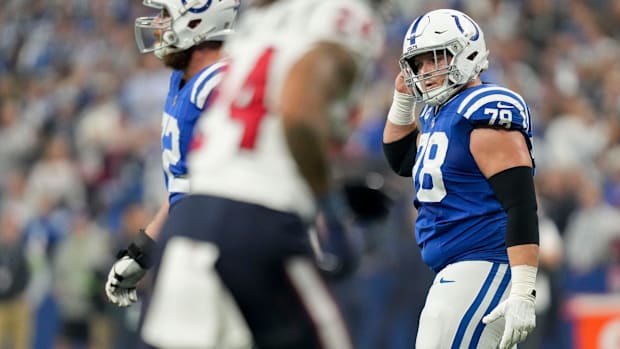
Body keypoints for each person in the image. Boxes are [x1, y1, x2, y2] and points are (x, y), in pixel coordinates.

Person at [138, 0, 385, 348]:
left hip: (190, 222)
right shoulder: (340, 16)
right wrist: (331, 208)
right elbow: (299, 118)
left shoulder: (261, 19)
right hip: (256, 222)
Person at [382, 8, 539, 349]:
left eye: (435, 58)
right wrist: (401, 100)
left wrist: (524, 289)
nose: (426, 71)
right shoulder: (441, 115)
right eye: (418, 64)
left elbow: (521, 204)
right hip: (458, 269)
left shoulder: (484, 108)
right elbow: (401, 159)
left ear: (466, 52)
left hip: (484, 264)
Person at [104, 0, 240, 308]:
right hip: (196, 244)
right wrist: (141, 252)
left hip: (227, 248)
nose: (157, 25)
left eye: (166, 15)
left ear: (196, 23)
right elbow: (184, 186)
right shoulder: (183, 81)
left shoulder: (223, 84)